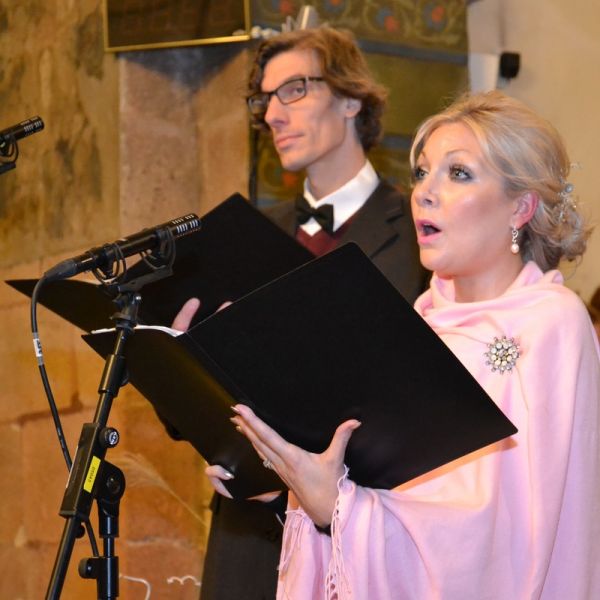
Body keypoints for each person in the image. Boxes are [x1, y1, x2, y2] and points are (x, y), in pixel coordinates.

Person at [223, 91, 600, 599]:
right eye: (422, 173)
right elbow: (381, 485)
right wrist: (287, 483)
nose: (424, 192)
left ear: (520, 207)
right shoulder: (417, 320)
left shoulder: (552, 322)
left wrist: (337, 506)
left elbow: (512, 536)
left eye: (458, 173)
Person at [173, 27, 429, 600]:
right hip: (248, 537)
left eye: (294, 90)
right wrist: (186, 367)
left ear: (351, 98)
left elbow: (419, 396)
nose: (272, 115)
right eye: (264, 100)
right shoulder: (243, 239)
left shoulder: (420, 235)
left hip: (367, 533)